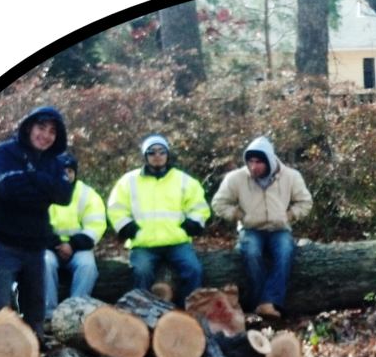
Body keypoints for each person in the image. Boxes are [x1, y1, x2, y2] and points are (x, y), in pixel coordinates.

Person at [0, 106, 74, 342]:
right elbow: (12, 192)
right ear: (29, 127)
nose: (46, 135)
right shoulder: (5, 153)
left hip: (35, 246)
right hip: (1, 243)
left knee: (35, 313)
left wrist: (32, 175)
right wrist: (46, 188)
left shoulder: (54, 161)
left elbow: (65, 195)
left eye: (52, 131)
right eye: (41, 127)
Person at [211, 136, 312, 321]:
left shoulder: (290, 176)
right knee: (250, 251)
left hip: (279, 229)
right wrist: (239, 216)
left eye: (258, 162)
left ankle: (269, 301)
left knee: (285, 251)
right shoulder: (236, 178)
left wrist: (289, 216)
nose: (254, 166)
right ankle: (261, 303)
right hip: (251, 229)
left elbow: (305, 202)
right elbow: (219, 203)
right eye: (250, 161)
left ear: (269, 162)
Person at [107, 134, 210, 307]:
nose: (157, 155)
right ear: (145, 156)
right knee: (141, 271)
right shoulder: (129, 181)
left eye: (161, 151)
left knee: (194, 270)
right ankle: (141, 312)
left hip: (176, 241)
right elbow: (116, 207)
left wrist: (191, 225)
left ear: (167, 154)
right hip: (143, 243)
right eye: (152, 152)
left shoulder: (183, 180)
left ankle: (190, 311)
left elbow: (199, 206)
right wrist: (128, 228)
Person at [44, 152, 106, 319]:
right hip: (49, 248)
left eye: (70, 171)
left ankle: (75, 313)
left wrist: (72, 245)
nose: (66, 175)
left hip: (78, 248)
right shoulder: (42, 190)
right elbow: (36, 223)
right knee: (44, 263)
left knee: (88, 266)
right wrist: (57, 245)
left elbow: (96, 225)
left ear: (75, 173)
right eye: (62, 171)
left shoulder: (87, 194)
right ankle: (49, 315)